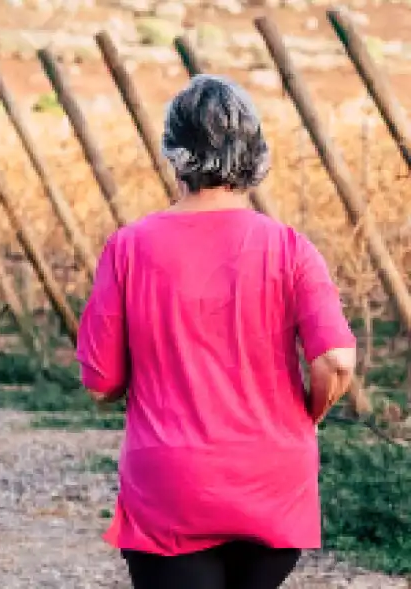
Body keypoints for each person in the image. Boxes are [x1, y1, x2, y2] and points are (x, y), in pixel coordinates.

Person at [75, 74, 357, 589]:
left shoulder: (129, 248)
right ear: (255, 152)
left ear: (173, 152)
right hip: (273, 482)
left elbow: (100, 380)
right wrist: (308, 415)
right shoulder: (292, 248)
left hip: (172, 489)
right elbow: (336, 358)